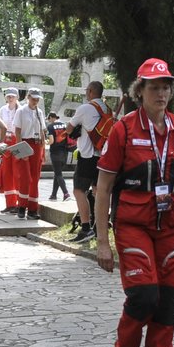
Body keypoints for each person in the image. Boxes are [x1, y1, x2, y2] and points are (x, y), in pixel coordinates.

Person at [93, 59, 174, 347]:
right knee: (144, 297)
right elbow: (104, 187)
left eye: (166, 86)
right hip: (134, 225)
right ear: (139, 90)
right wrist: (102, 242)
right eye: (154, 86)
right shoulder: (123, 129)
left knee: (167, 304)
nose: (162, 92)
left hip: (172, 225)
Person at [68, 81, 109, 242]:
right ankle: (100, 228)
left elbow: (69, 128)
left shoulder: (85, 108)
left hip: (87, 156)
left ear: (90, 91)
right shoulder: (107, 109)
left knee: (79, 191)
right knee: (99, 191)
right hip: (103, 156)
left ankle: (85, 228)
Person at [11, 88, 47, 218]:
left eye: (37, 99)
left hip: (37, 144)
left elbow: (43, 131)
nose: (35, 101)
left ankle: (32, 209)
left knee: (35, 177)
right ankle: (22, 206)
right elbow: (18, 131)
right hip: (25, 143)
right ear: (28, 97)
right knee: (25, 177)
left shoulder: (40, 112)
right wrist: (21, 149)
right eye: (33, 98)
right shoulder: (21, 111)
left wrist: (43, 152)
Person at [0, 89, 22, 212]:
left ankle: (19, 202)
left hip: (17, 140)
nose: (10, 98)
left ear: (17, 98)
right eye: (8, 96)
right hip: (6, 140)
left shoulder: (21, 110)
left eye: (13, 96)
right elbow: (1, 128)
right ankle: (10, 204)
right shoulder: (3, 109)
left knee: (17, 172)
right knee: (7, 172)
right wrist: (0, 142)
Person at [47, 111, 71, 201]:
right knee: (57, 173)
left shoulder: (51, 126)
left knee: (58, 174)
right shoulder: (65, 125)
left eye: (49, 119)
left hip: (55, 153)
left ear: (51, 118)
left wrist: (46, 142)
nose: (49, 121)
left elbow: (52, 141)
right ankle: (53, 195)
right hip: (65, 153)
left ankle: (66, 194)